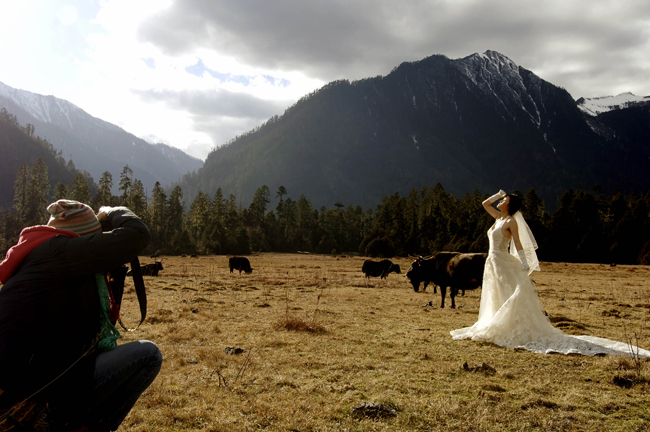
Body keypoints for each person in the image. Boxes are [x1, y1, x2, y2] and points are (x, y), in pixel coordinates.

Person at [0, 200, 163, 431]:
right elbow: (137, 235)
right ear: (83, 239)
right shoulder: (61, 252)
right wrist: (111, 211)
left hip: (26, 377)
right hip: (30, 386)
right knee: (148, 354)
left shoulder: (42, 258)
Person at [450, 190, 650, 357]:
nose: (501, 201)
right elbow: (485, 203)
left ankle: (506, 327)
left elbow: (519, 244)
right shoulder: (498, 217)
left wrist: (525, 264)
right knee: (494, 294)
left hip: (502, 262)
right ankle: (496, 323)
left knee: (506, 294)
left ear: (511, 205)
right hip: (492, 263)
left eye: (505, 200)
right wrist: (498, 194)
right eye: (501, 200)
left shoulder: (510, 221)